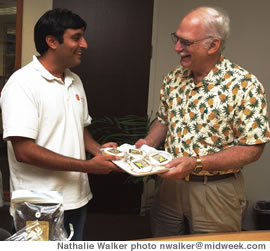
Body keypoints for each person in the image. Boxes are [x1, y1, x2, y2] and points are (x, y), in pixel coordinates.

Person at [136, 6, 270, 236]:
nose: (177, 48)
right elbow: (164, 121)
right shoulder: (173, 77)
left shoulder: (244, 85)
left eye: (186, 42)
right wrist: (147, 143)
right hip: (170, 187)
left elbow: (252, 149)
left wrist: (196, 164)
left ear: (213, 45)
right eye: (176, 39)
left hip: (216, 192)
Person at [0, 8, 121, 241]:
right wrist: (88, 166)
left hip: (76, 197)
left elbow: (79, 128)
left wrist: (99, 150)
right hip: (38, 205)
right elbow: (24, 151)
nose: (84, 44)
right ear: (52, 41)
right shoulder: (22, 84)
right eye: (76, 37)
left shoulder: (75, 80)